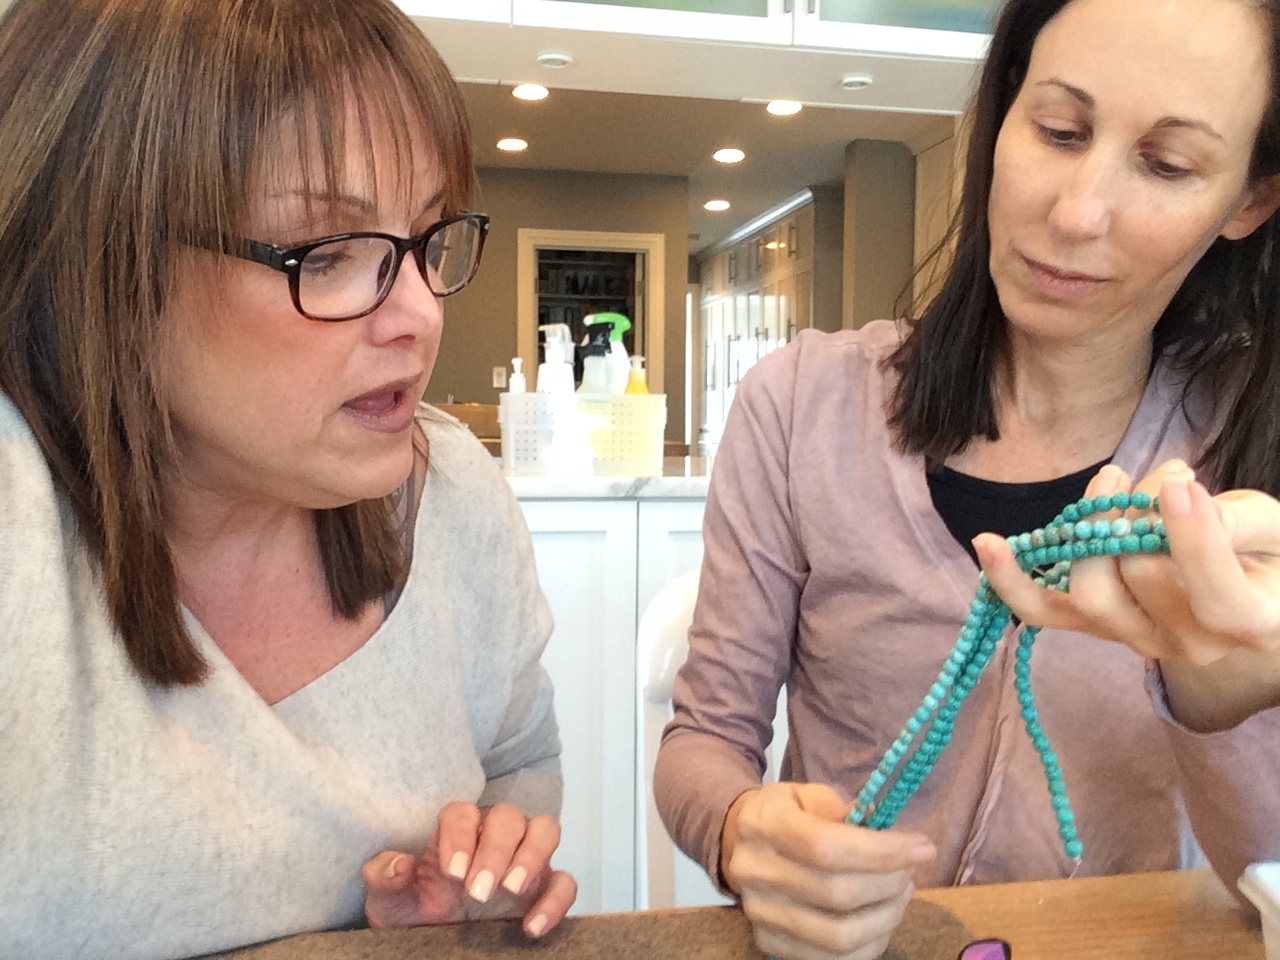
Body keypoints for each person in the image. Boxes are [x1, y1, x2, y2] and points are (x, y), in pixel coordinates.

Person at [654, 0, 1280, 958]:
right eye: (1058, 130)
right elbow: (704, 740)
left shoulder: (1252, 465)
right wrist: (745, 831)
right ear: (1000, 120)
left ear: (1249, 200)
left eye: (1166, 165)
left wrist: (1223, 698)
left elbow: (1260, 891)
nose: (1075, 213)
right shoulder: (802, 406)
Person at [0, 0, 577, 956]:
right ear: (101, 259)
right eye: (331, 252)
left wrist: (480, 879)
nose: (422, 316)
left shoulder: (451, 497)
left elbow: (518, 757)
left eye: (427, 236)